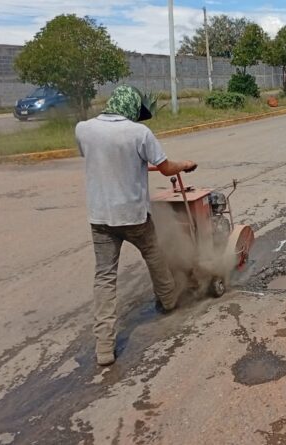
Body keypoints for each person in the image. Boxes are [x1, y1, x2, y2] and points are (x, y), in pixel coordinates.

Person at [75, 85, 197, 366]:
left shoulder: (84, 129)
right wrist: (185, 164)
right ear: (132, 107)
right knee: (154, 256)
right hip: (134, 216)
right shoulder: (139, 133)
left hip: (100, 217)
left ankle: (104, 347)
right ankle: (168, 301)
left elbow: (96, 157)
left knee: (104, 277)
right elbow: (165, 168)